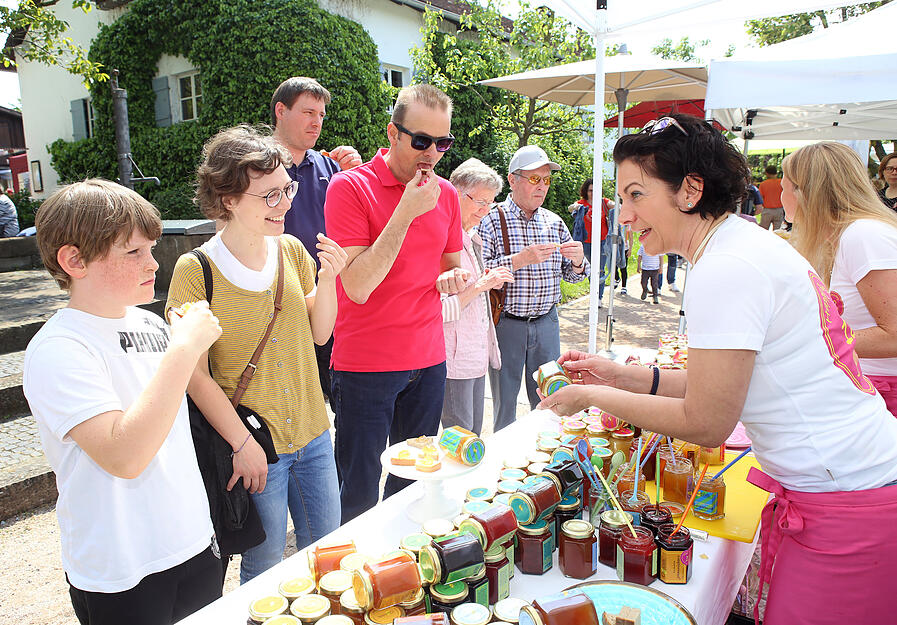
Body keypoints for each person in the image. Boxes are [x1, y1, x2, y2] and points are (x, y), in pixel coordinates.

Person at [538, 114, 897, 625]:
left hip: (847, 497)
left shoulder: (726, 268)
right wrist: (620, 375)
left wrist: (592, 399)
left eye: (636, 195)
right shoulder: (738, 247)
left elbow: (707, 422)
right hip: (853, 485)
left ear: (689, 190)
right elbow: (724, 384)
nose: (624, 215)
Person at [23, 179, 223, 623]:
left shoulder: (150, 325)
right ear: (74, 260)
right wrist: (185, 350)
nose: (153, 263)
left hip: (192, 542)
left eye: (151, 248)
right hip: (122, 566)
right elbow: (124, 455)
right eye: (132, 252)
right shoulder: (59, 347)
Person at [167, 126, 345, 583]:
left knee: (329, 553)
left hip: (313, 433)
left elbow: (320, 334)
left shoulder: (290, 250)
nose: (285, 203)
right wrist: (241, 445)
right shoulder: (196, 270)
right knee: (264, 566)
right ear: (228, 199)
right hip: (254, 443)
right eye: (269, 196)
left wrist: (329, 280)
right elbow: (194, 375)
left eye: (287, 189)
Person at [323, 84, 465, 523]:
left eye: (443, 143)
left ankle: (405, 574)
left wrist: (452, 279)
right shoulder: (350, 188)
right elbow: (358, 285)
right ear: (392, 133)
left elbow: (449, 266)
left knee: (416, 487)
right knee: (359, 491)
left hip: (428, 359)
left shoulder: (448, 195)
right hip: (366, 364)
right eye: (421, 141)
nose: (433, 154)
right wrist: (405, 211)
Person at [478, 145, 588, 431]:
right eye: (534, 179)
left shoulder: (554, 222)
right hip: (507, 325)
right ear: (513, 180)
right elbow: (476, 274)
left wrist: (578, 262)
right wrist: (518, 260)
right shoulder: (491, 219)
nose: (542, 187)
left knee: (551, 399)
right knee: (505, 405)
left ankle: (544, 459)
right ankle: (504, 467)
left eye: (546, 180)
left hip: (546, 323)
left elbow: (574, 278)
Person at [784, 141, 897, 416]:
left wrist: (808, 342)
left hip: (884, 391)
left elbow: (894, 335)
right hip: (864, 381)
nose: (781, 194)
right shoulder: (844, 236)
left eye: (785, 186)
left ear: (806, 192)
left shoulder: (864, 236)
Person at [271, 77, 362, 402]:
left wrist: (358, 171)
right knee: (289, 402)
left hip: (329, 301)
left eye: (322, 115)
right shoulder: (256, 167)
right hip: (278, 304)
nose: (317, 122)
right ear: (281, 111)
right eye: (309, 112)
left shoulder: (332, 167)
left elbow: (361, 222)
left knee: (343, 400)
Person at [441, 159, 514, 435]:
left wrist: (485, 281)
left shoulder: (471, 237)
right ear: (456, 193)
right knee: (459, 439)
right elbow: (438, 311)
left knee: (472, 435)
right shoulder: (441, 240)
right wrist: (482, 285)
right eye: (480, 202)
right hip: (453, 359)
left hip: (474, 355)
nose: (486, 211)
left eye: (490, 203)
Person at [570, 178, 593, 263]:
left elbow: (614, 205)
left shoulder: (603, 202)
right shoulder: (581, 203)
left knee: (599, 269)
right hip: (585, 242)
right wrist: (576, 207)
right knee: (584, 266)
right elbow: (570, 208)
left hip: (601, 242)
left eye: (595, 190)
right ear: (586, 191)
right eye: (590, 190)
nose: (593, 193)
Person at [757, 164, 784, 230]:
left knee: (763, 231)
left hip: (767, 210)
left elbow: (760, 198)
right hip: (779, 210)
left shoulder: (763, 184)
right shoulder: (782, 183)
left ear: (767, 173)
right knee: (777, 233)